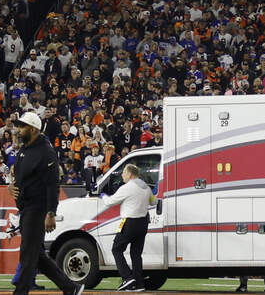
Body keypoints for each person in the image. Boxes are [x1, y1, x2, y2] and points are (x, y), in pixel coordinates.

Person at [9, 111, 84, 295]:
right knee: (37, 255)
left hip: (38, 208)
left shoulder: (46, 152)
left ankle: (20, 292)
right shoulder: (25, 149)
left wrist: (50, 213)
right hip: (26, 208)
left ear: (33, 129)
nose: (19, 130)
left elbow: (52, 185)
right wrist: (10, 186)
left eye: (23, 126)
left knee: (28, 254)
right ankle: (71, 288)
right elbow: (17, 176)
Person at [99, 163, 155, 292]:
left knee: (116, 249)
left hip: (130, 222)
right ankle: (139, 284)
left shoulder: (127, 187)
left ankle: (127, 278)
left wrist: (103, 196)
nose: (122, 175)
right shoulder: (146, 187)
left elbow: (110, 202)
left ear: (130, 174)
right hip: (143, 223)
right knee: (136, 254)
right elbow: (154, 201)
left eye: (124, 172)